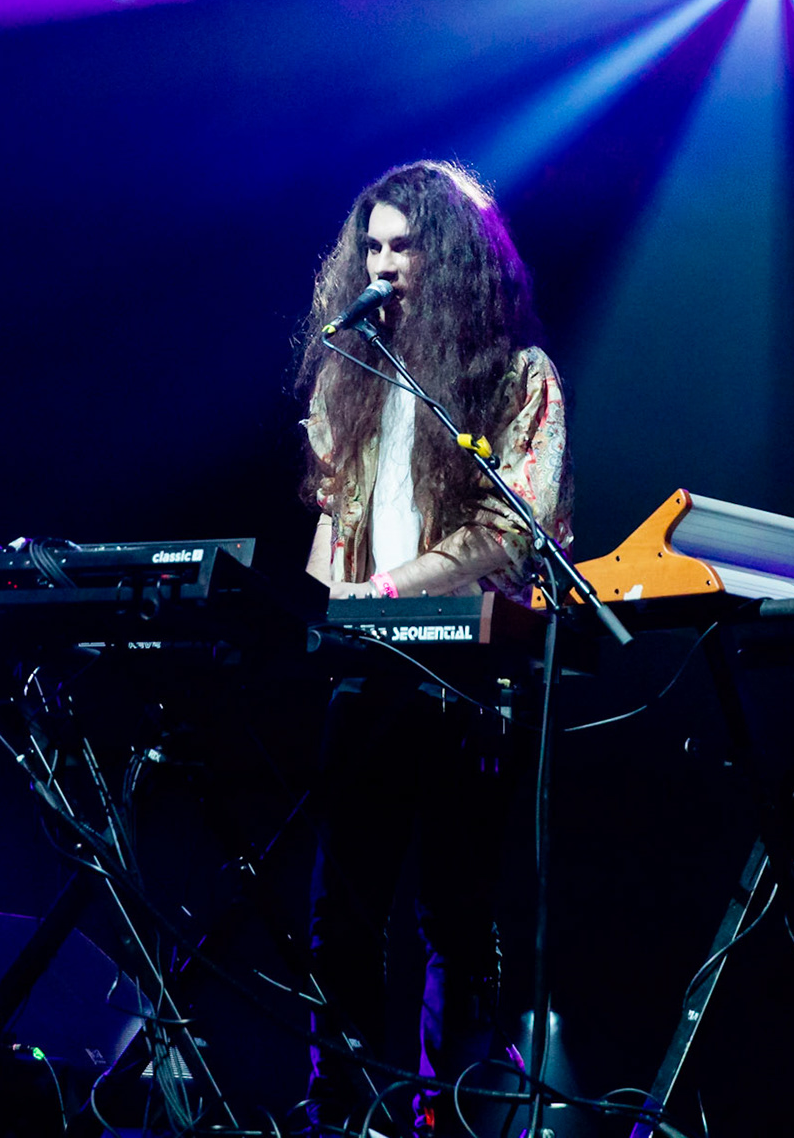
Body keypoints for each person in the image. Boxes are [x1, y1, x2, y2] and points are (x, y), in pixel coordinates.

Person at [295, 161, 571, 1136]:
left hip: (467, 674)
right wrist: (337, 604)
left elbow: (514, 523)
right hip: (368, 672)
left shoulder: (515, 379)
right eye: (369, 247)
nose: (382, 264)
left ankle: (447, 1115)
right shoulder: (347, 380)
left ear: (447, 256)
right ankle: (346, 1107)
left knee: (455, 913)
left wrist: (393, 591)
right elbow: (333, 533)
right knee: (342, 912)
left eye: (402, 247)